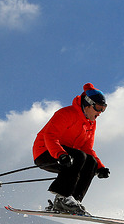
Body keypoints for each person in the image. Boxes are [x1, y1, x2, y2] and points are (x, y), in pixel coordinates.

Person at [32, 83, 110, 215]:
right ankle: (63, 197)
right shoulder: (66, 113)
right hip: (45, 152)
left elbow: (87, 148)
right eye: (98, 108)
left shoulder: (91, 123)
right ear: (88, 104)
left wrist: (99, 167)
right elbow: (50, 136)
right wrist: (60, 154)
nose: (100, 112)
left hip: (68, 156)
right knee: (80, 157)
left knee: (90, 162)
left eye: (103, 108)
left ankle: (73, 201)